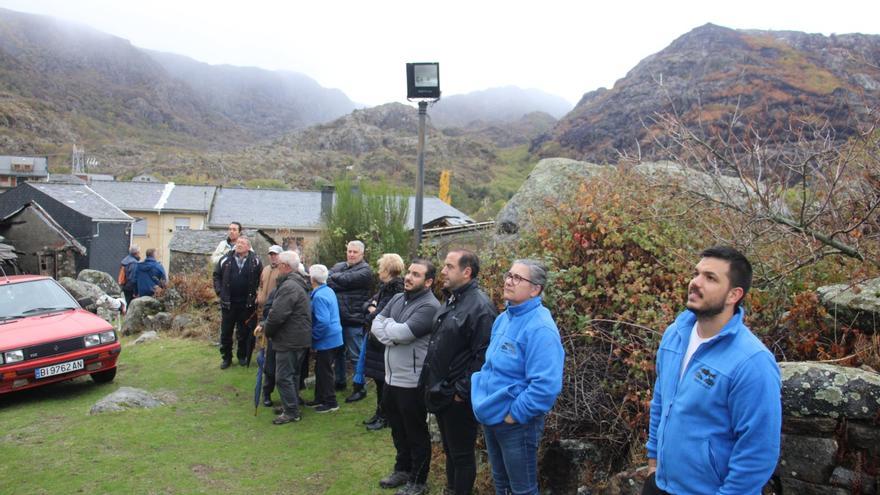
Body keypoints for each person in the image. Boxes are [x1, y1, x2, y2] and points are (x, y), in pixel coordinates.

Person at [643, 247, 781, 495]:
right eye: (696, 273)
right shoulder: (675, 335)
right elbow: (661, 402)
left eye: (710, 278)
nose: (695, 283)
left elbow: (758, 450)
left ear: (733, 295)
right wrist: (653, 462)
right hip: (660, 484)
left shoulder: (752, 362)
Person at [471, 259, 565, 495]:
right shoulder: (504, 318)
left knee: (522, 490)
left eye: (517, 278)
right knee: (501, 485)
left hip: (516, 425)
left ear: (535, 289)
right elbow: (492, 366)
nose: (508, 281)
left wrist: (514, 415)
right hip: (492, 417)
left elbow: (546, 386)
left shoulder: (540, 328)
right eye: (509, 275)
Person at [420, 249, 497, 495]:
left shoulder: (480, 306)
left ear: (467, 272)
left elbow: (484, 356)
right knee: (451, 451)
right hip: (442, 391)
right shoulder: (452, 299)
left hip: (457, 397)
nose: (443, 271)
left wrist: (461, 392)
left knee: (462, 455)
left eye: (449, 266)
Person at [371, 259, 440, 495]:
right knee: (398, 429)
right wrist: (391, 329)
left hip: (412, 381)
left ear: (428, 282)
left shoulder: (430, 306)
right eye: (409, 272)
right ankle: (402, 470)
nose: (409, 277)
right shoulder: (398, 298)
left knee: (415, 433)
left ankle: (419, 481)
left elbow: (404, 333)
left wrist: (389, 329)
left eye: (416, 275)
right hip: (391, 378)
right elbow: (375, 324)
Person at [254, 250, 312, 425]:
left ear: (285, 266)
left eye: (279, 264)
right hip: (297, 337)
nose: (277, 266)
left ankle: (292, 412)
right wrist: (265, 325)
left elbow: (278, 315)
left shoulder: (289, 287)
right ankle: (291, 405)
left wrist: (267, 330)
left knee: (284, 376)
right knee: (292, 374)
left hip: (290, 339)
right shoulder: (296, 283)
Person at [358, 253, 405, 430]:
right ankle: (379, 413)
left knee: (384, 382)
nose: (378, 271)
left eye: (380, 268)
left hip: (383, 342)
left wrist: (372, 310)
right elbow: (366, 305)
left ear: (387, 270)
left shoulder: (396, 290)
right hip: (376, 341)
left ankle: (385, 416)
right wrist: (371, 308)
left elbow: (378, 315)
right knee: (379, 380)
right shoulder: (385, 287)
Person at [327, 240, 373, 390]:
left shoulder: (365, 271)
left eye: (355, 252)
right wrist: (338, 281)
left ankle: (360, 387)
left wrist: (336, 278)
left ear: (362, 254)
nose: (351, 254)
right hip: (338, 318)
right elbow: (327, 281)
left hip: (354, 318)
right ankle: (339, 382)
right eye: (349, 251)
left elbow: (347, 280)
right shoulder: (339, 266)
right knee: (338, 353)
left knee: (356, 356)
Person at [213, 236, 263, 369]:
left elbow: (261, 279)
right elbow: (216, 276)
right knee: (226, 333)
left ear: (248, 247)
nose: (239, 245)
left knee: (244, 333)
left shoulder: (256, 261)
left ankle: (242, 356)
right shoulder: (225, 259)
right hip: (228, 304)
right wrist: (220, 291)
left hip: (247, 305)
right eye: (238, 242)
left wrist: (259, 293)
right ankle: (226, 358)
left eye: (242, 243)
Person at [307, 264, 344, 413]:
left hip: (327, 340)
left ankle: (331, 402)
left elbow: (323, 321)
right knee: (320, 369)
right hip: (334, 337)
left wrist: (313, 337)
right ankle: (320, 398)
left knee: (325, 371)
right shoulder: (328, 290)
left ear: (313, 279)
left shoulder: (320, 296)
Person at [256, 245, 284, 406]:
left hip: (276, 319)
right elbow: (260, 284)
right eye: (271, 254)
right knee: (268, 360)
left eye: (275, 254)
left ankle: (282, 395)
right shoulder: (266, 269)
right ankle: (266, 393)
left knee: (276, 363)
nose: (273, 257)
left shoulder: (283, 271)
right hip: (265, 313)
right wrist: (259, 296)